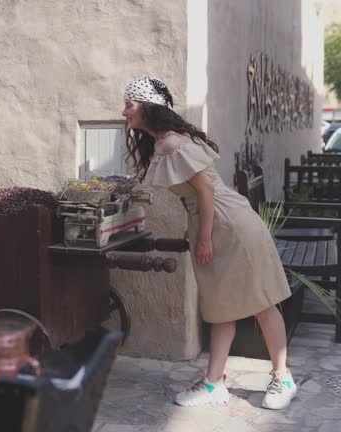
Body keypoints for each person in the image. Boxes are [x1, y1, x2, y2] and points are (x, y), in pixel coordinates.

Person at [121, 76, 297, 409]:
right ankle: (215, 383)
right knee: (219, 307)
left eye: (129, 105)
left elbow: (206, 191)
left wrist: (203, 237)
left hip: (230, 226)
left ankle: (283, 377)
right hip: (214, 224)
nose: (124, 112)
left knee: (262, 302)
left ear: (146, 107)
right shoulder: (163, 141)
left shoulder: (172, 142)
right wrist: (198, 231)